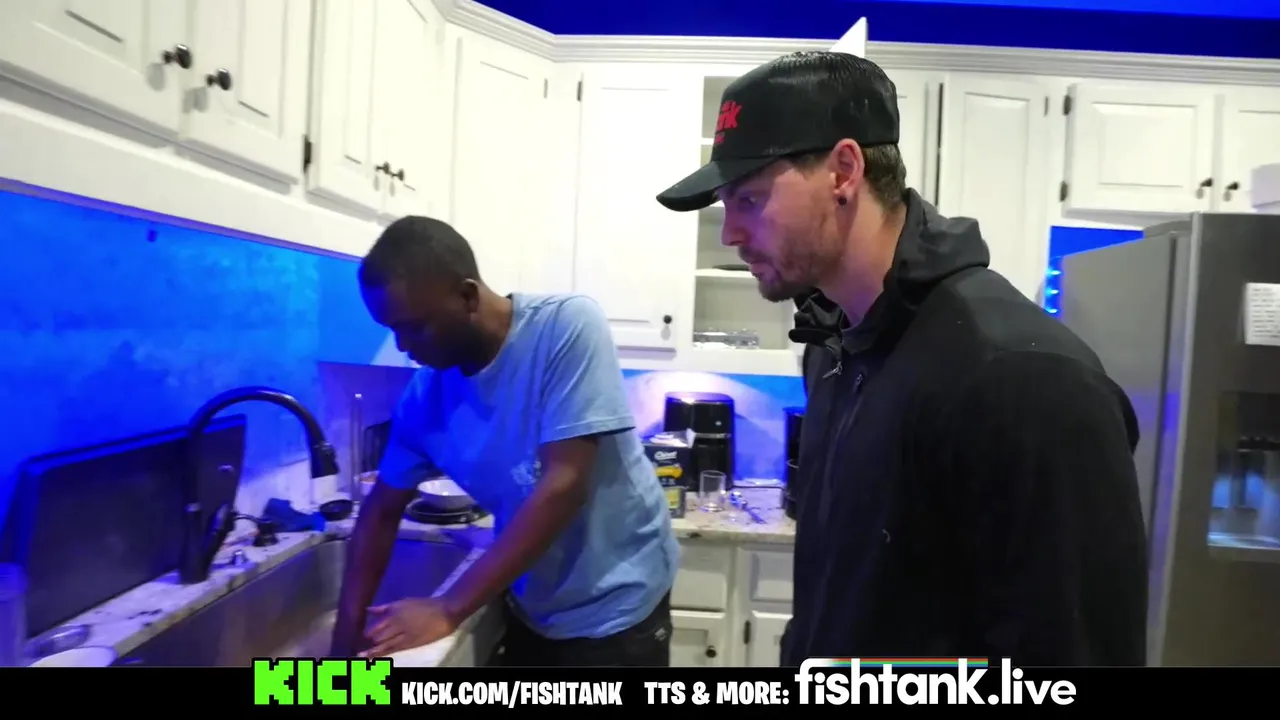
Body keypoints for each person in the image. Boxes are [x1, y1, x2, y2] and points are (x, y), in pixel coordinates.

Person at [656, 51, 1148, 667]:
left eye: (750, 199)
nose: (730, 232)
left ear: (844, 171)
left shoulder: (1023, 380)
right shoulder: (834, 344)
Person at [330, 216, 679, 666]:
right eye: (391, 328)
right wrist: (346, 632)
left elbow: (564, 485)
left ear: (468, 296)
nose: (401, 345)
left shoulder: (566, 326)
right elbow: (380, 511)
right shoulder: (425, 397)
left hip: (618, 606)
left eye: (414, 327)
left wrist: (448, 608)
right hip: (530, 601)